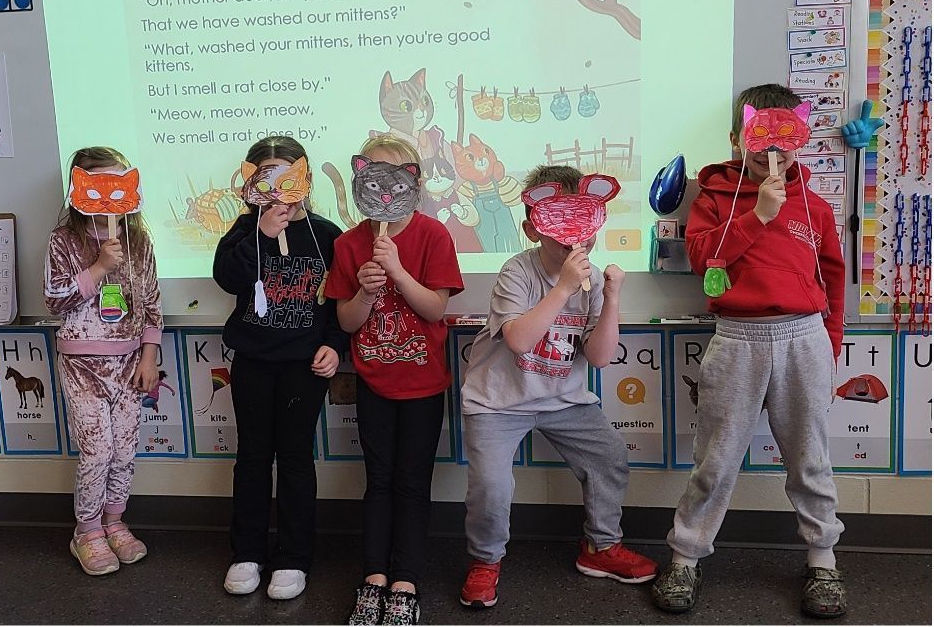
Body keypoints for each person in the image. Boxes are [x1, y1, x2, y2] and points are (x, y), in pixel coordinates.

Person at [651, 84, 847, 618]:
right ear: (738, 137)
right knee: (715, 460)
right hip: (738, 338)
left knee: (810, 458)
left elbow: (832, 277)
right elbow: (701, 261)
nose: (771, 155)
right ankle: (686, 559)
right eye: (759, 140)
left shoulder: (817, 206)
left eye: (785, 141)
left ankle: (823, 562)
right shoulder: (714, 198)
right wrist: (757, 215)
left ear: (801, 138)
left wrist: (830, 345)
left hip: (804, 337)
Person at [458, 165, 657, 609]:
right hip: (497, 402)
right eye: (557, 229)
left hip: (562, 398)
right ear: (533, 228)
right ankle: (486, 561)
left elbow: (601, 356)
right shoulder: (518, 271)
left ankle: (601, 548)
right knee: (492, 488)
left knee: (609, 457)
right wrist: (564, 287)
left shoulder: (596, 278)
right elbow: (518, 340)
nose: (571, 241)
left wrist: (613, 298)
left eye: (581, 226)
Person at [326, 135, 464, 625]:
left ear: (415, 179)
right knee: (378, 480)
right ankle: (374, 576)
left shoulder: (434, 235)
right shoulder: (347, 243)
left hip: (424, 384)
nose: (385, 187)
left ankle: (406, 578)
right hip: (374, 383)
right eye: (373, 176)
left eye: (398, 174)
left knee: (412, 481)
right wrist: (364, 293)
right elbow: (346, 322)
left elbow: (436, 308)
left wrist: (399, 273)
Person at [213, 136, 347, 600]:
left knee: (294, 458)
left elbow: (337, 301)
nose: (275, 186)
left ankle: (293, 557)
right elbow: (228, 278)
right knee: (252, 456)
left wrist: (334, 345)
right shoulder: (242, 230)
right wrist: (262, 234)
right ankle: (247, 551)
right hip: (253, 361)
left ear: (303, 179)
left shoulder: (328, 234)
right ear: (251, 182)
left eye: (285, 174)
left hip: (302, 366)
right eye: (264, 175)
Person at [44, 146, 162, 576]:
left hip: (129, 364)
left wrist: (149, 355)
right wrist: (97, 268)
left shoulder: (139, 241)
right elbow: (54, 300)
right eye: (99, 185)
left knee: (124, 450)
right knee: (96, 451)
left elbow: (151, 304)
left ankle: (114, 521)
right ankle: (86, 531)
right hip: (82, 365)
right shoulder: (63, 241)